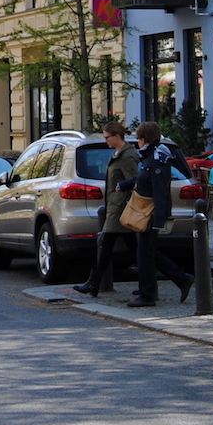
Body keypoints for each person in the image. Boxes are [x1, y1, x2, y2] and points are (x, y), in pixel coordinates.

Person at [120, 121, 193, 307]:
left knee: (145, 253)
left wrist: (160, 218)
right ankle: (176, 281)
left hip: (150, 212)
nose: (137, 143)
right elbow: (144, 178)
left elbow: (160, 189)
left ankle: (149, 294)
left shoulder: (157, 159)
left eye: (138, 139)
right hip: (148, 211)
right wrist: (125, 184)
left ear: (144, 139)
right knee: (148, 252)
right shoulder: (151, 156)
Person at [72, 121, 139, 297]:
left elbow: (135, 180)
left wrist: (121, 189)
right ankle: (172, 278)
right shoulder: (118, 154)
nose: (106, 140)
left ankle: (93, 283)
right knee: (135, 248)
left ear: (117, 137)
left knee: (107, 244)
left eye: (107, 137)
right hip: (115, 207)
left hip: (120, 209)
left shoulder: (127, 156)